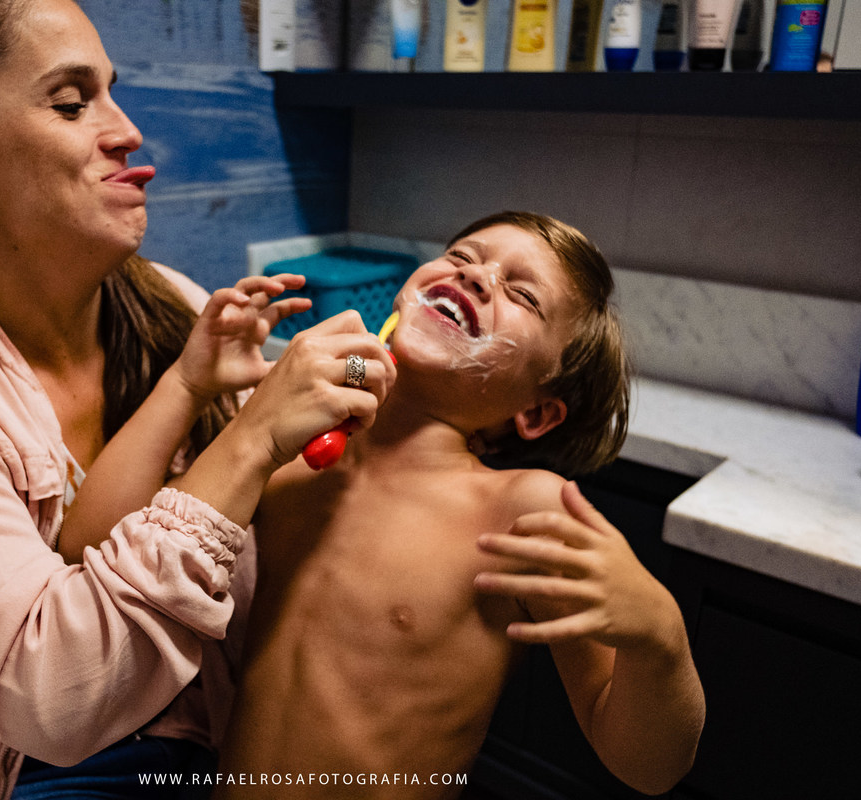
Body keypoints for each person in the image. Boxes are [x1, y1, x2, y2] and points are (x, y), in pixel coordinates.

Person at [0, 1, 395, 798]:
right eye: (70, 102)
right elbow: (50, 702)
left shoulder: (176, 307)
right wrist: (251, 441)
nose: (127, 131)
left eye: (111, 92)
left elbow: (281, 524)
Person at [215, 212, 706, 799]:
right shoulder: (287, 444)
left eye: (522, 293)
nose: (477, 277)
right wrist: (199, 384)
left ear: (537, 412)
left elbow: (649, 770)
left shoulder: (520, 512)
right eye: (462, 256)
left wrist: (660, 635)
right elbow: (112, 554)